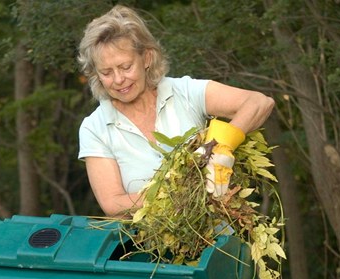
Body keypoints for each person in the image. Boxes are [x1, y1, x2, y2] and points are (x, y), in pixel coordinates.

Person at [77, 5, 274, 218]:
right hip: (147, 247)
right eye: (106, 72)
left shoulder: (185, 92)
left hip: (215, 238)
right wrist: (180, 190)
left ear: (147, 58)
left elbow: (259, 102)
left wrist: (220, 149)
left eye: (125, 67)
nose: (118, 79)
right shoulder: (94, 128)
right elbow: (113, 204)